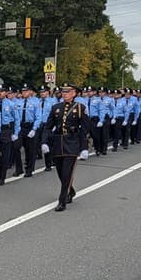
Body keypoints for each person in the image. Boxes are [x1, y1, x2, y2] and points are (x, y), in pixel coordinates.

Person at [42, 82, 90, 212]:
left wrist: (84, 147)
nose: (65, 94)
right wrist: (44, 142)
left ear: (74, 93)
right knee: (60, 174)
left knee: (66, 173)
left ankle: (62, 201)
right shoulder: (56, 107)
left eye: (68, 91)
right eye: (63, 91)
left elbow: (85, 129)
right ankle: (71, 190)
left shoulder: (80, 108)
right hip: (58, 143)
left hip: (72, 143)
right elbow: (47, 127)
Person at [20, 83, 41, 176]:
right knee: (16, 147)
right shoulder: (19, 102)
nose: (24, 93)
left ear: (30, 92)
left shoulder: (36, 102)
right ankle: (19, 168)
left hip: (30, 126)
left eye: (26, 91)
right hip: (21, 127)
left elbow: (38, 117)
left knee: (30, 149)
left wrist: (34, 129)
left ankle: (29, 169)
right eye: (23, 91)